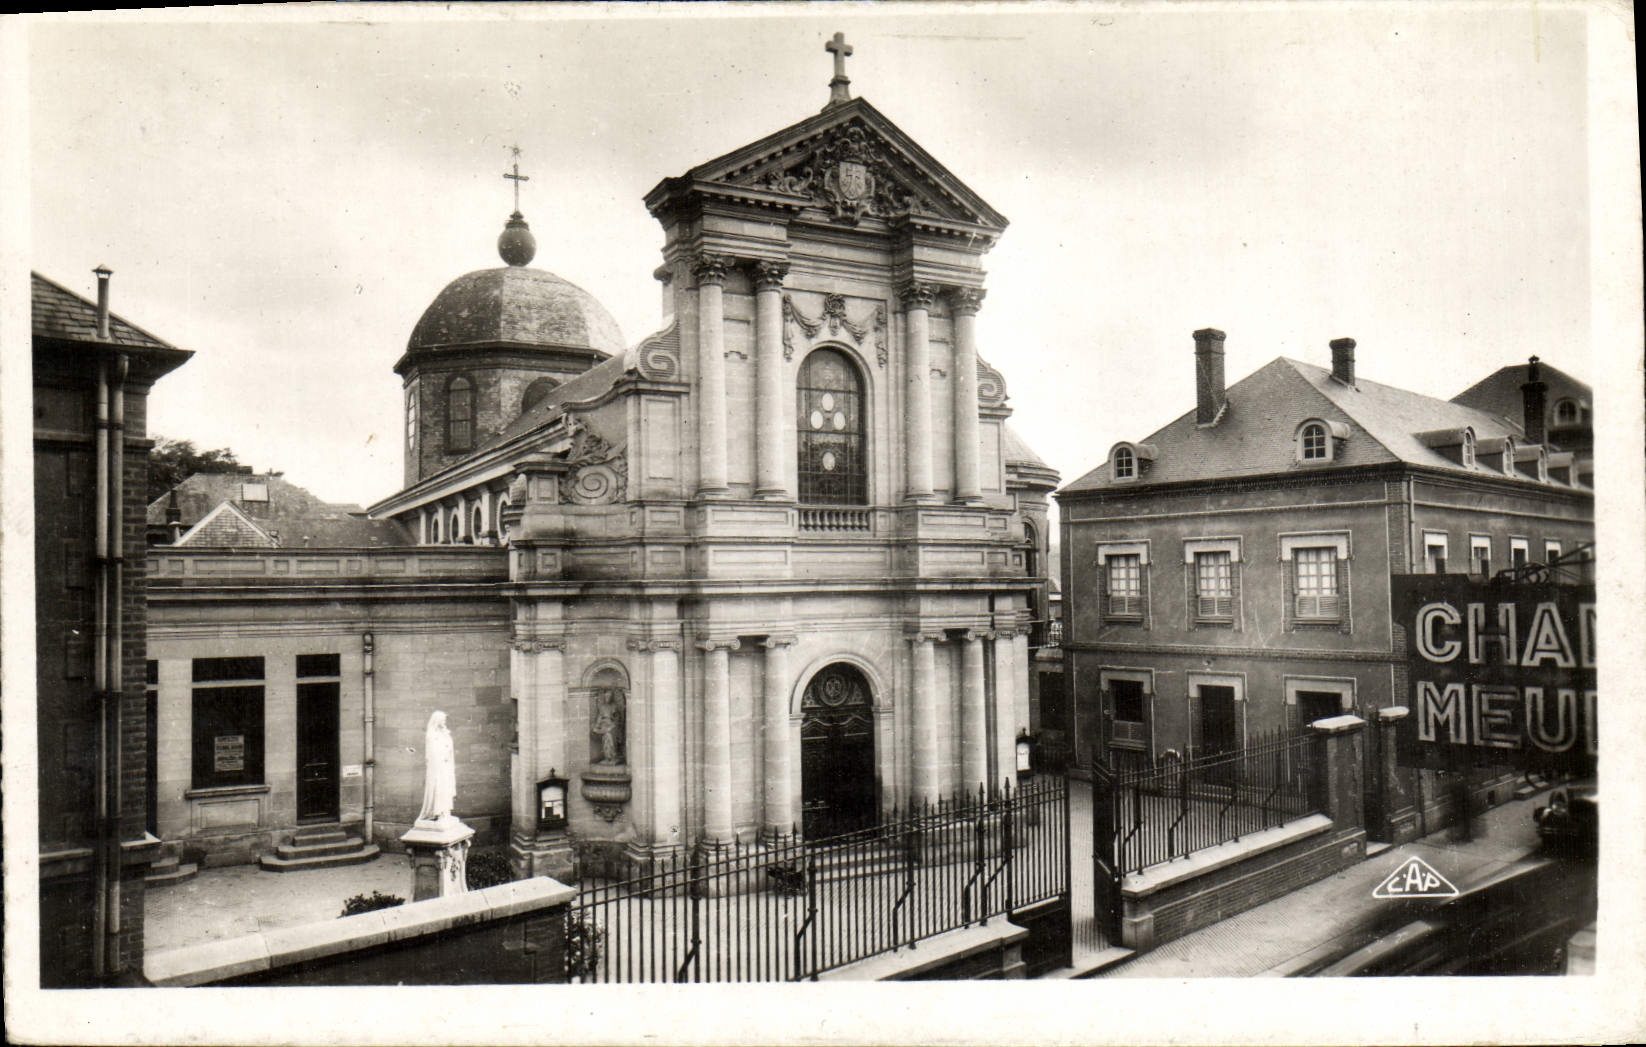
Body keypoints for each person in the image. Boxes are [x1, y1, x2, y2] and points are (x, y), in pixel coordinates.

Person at [417, 710, 457, 825]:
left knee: (446, 787)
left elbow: (449, 747)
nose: (444, 722)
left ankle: (445, 812)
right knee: (439, 787)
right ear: (437, 721)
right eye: (442, 720)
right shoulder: (432, 735)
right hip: (438, 767)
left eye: (444, 720)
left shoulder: (444, 733)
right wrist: (444, 753)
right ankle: (437, 812)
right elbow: (433, 752)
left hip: (445, 766)